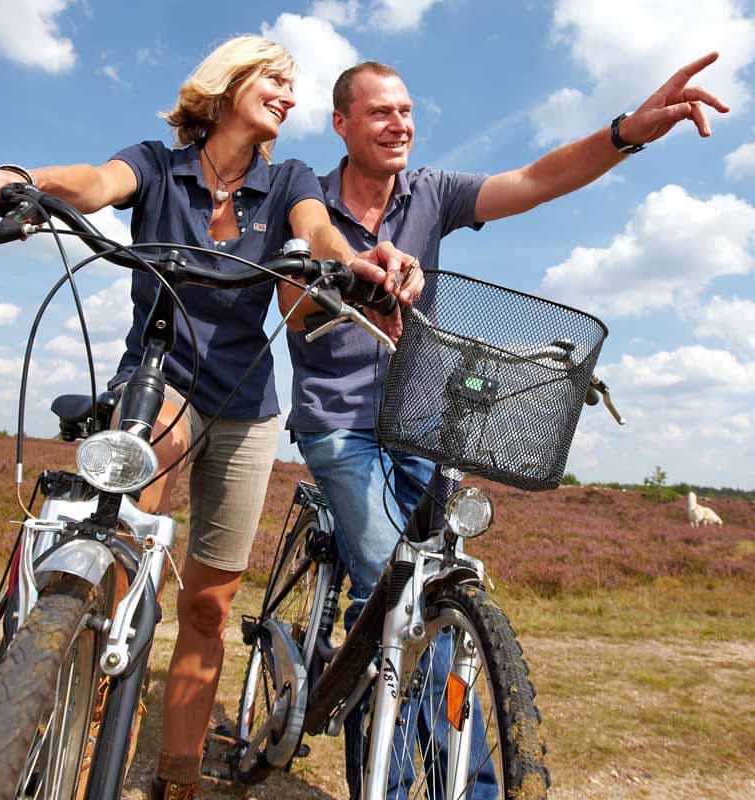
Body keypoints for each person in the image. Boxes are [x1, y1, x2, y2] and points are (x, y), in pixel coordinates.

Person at [0, 36, 415, 800]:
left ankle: (176, 779)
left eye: (292, 87)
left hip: (247, 406)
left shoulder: (289, 179)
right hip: (161, 380)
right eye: (275, 79)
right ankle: (67, 716)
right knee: (123, 554)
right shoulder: (157, 166)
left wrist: (346, 261)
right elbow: (97, 184)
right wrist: (19, 179)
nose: (288, 97)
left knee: (207, 605)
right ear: (227, 85)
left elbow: (318, 230)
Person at [280, 54, 730, 798]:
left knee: (432, 594)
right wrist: (353, 278)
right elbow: (298, 291)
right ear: (342, 123)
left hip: (421, 420)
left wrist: (626, 133)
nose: (401, 124)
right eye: (381, 112)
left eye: (407, 110)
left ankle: (471, 784)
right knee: (390, 595)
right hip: (339, 420)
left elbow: (536, 180)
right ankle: (399, 785)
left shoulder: (433, 193)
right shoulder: (307, 196)